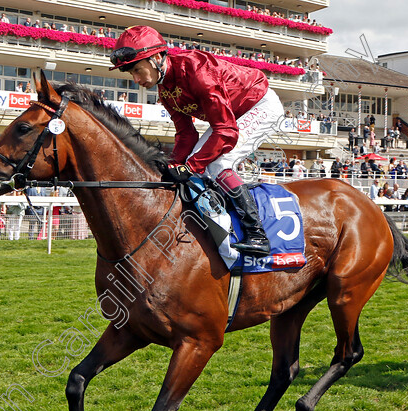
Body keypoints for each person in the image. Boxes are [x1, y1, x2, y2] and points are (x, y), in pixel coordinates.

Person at [109, 25, 282, 255]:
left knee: (218, 163)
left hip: (259, 104)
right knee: (194, 165)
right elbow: (186, 134)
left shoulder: (198, 70)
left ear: (157, 58)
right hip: (231, 116)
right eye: (131, 73)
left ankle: (257, 234)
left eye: (138, 70)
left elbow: (226, 131)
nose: (136, 79)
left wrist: (189, 166)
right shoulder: (165, 90)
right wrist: (171, 166)